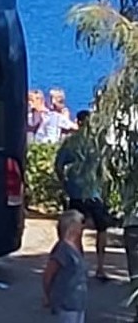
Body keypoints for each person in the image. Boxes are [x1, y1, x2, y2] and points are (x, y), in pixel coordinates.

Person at [55, 110, 113, 281]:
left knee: (76, 228)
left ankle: (79, 266)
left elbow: (58, 165)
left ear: (78, 122)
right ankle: (100, 267)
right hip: (95, 191)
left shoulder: (71, 142)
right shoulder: (98, 142)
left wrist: (65, 183)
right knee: (101, 229)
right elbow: (106, 165)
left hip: (76, 191)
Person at [44, 210, 89, 322]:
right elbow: (49, 274)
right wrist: (48, 295)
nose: (82, 227)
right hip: (66, 303)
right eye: (80, 224)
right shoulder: (62, 248)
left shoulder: (76, 247)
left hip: (78, 303)